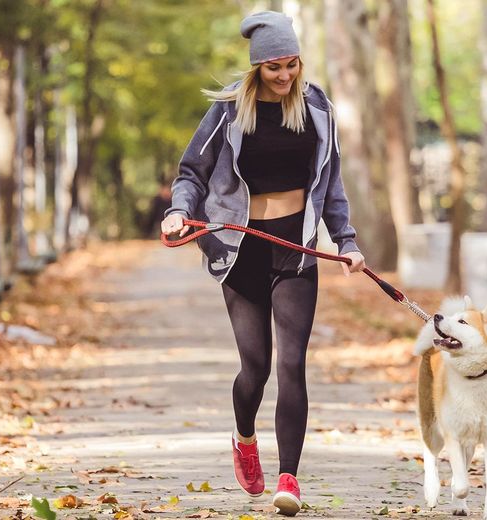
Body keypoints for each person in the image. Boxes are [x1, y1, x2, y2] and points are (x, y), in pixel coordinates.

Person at [159, 10, 366, 517]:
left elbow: (331, 185)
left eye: (291, 64)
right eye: (274, 67)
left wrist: (346, 241)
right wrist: (178, 211)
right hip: (240, 247)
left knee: (293, 364)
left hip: (296, 247)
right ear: (256, 68)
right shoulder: (231, 110)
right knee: (257, 367)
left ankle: (289, 478)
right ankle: (244, 434)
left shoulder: (318, 108)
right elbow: (192, 171)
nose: (284, 75)